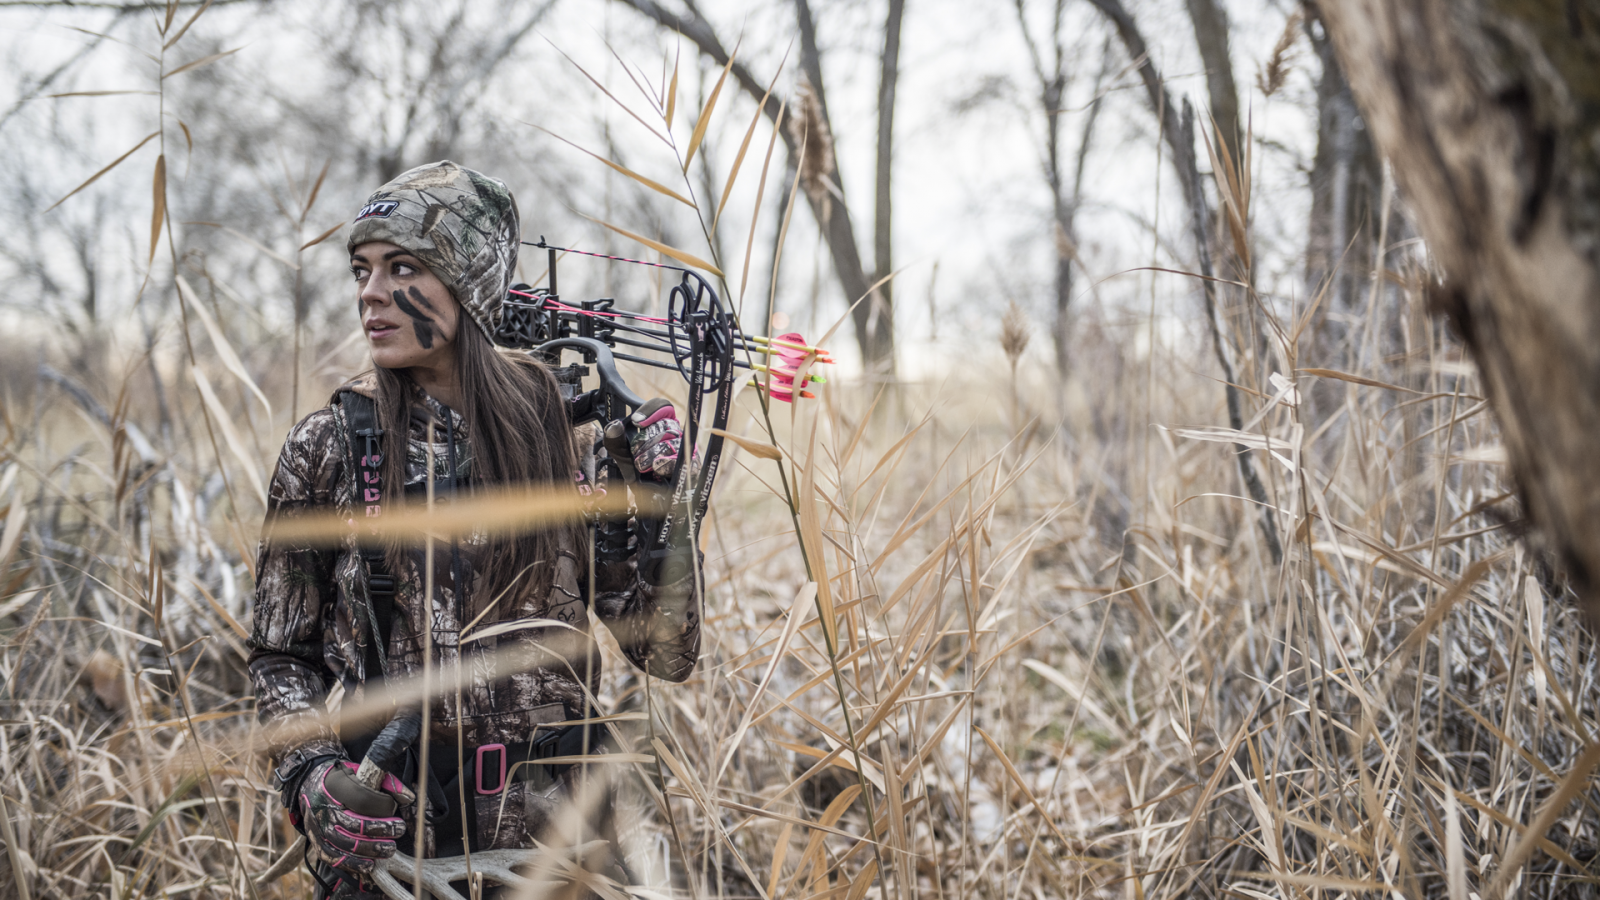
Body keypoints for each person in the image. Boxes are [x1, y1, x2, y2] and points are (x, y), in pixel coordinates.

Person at [248, 160, 701, 899]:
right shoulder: (328, 447)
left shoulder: (576, 443)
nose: (370, 293)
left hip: (561, 852)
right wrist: (313, 779)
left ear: (469, 287)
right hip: (394, 857)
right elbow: (280, 656)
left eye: (402, 267)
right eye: (361, 269)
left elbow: (667, 652)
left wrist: (659, 503)